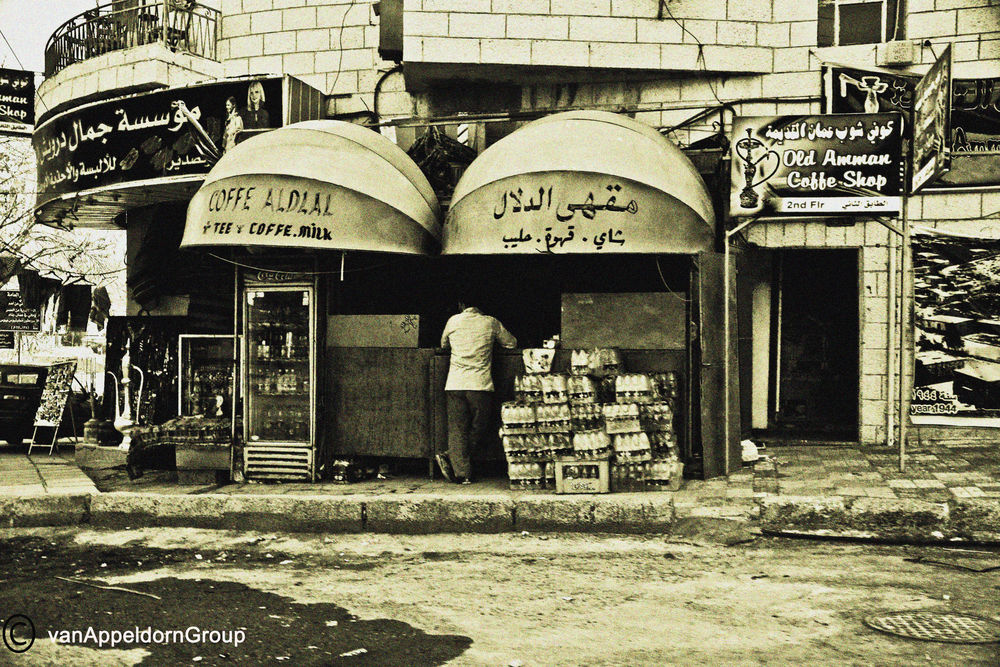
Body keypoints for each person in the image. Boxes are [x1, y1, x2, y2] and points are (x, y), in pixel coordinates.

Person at [437, 295, 517, 484]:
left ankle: (460, 470)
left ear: (461, 305)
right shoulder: (491, 322)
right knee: (481, 427)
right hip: (479, 385)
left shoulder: (453, 321)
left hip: (455, 383)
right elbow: (511, 343)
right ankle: (455, 459)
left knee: (457, 430)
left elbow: (443, 344)